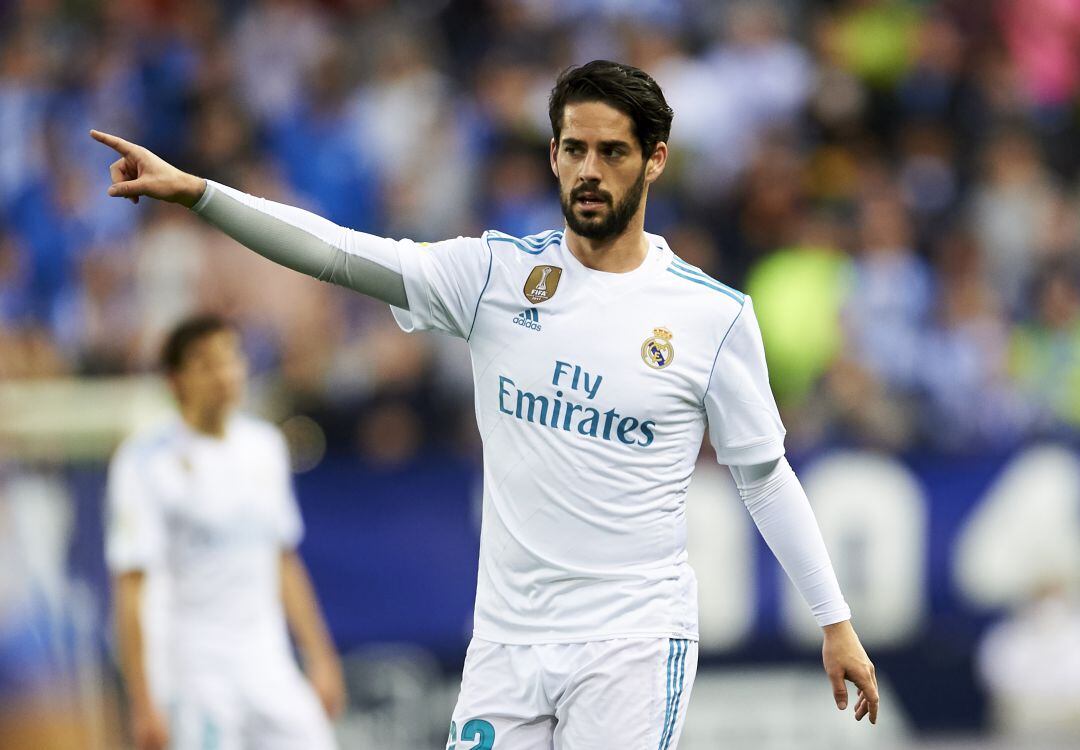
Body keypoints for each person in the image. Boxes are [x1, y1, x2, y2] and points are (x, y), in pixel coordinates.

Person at [92, 59, 878, 749]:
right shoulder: (494, 278)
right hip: (506, 644)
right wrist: (200, 194)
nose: (590, 171)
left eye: (612, 152)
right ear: (553, 155)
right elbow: (337, 252)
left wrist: (833, 619)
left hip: (632, 643)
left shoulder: (712, 316)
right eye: (575, 149)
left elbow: (763, 475)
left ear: (656, 161)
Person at [105, 315, 345, 750]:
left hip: (266, 659)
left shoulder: (265, 446)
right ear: (176, 380)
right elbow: (130, 586)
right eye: (208, 363)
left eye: (232, 359)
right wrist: (141, 701)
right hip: (195, 671)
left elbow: (283, 559)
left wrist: (321, 657)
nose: (226, 374)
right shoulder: (144, 462)